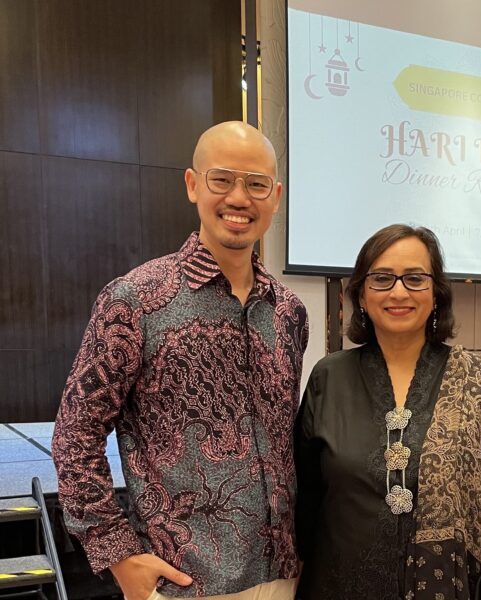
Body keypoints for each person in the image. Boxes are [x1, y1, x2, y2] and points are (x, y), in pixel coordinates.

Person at [51, 122, 308, 600]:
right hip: (182, 582)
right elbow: (74, 434)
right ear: (193, 184)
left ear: (274, 197)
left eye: (255, 185)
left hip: (282, 575)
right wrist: (118, 553)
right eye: (222, 180)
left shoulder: (289, 312)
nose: (239, 198)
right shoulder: (135, 300)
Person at [295, 224, 481, 600]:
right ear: (361, 293)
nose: (399, 291)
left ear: (436, 293)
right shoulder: (329, 377)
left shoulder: (477, 380)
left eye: (415, 278)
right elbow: (303, 498)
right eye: (382, 278)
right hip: (337, 586)